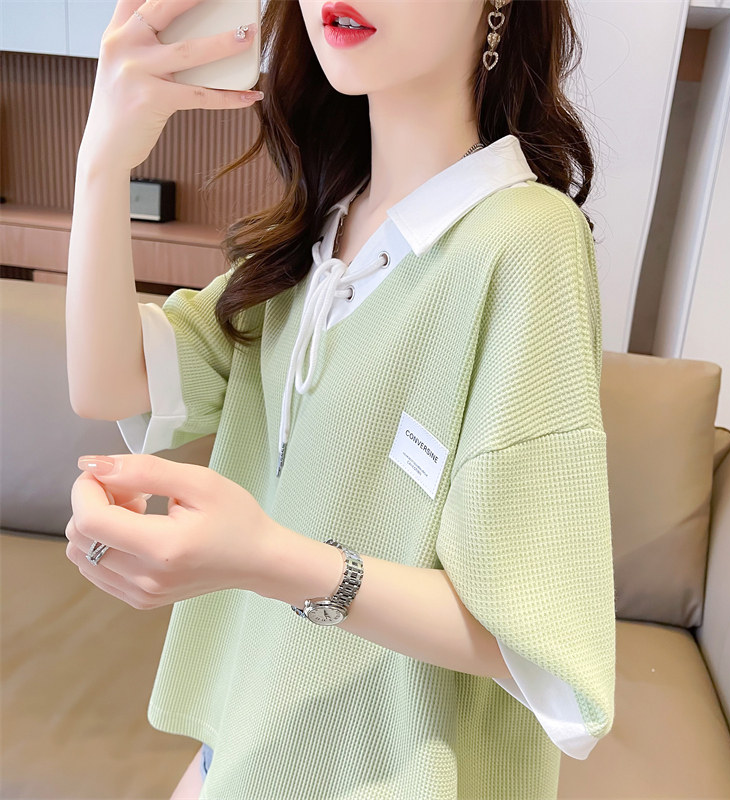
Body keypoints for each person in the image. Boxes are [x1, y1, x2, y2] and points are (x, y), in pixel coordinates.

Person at [65, 0, 616, 798]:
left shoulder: (527, 242)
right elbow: (108, 384)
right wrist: (103, 157)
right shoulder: (320, 233)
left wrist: (265, 559)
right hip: (243, 752)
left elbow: (537, 646)